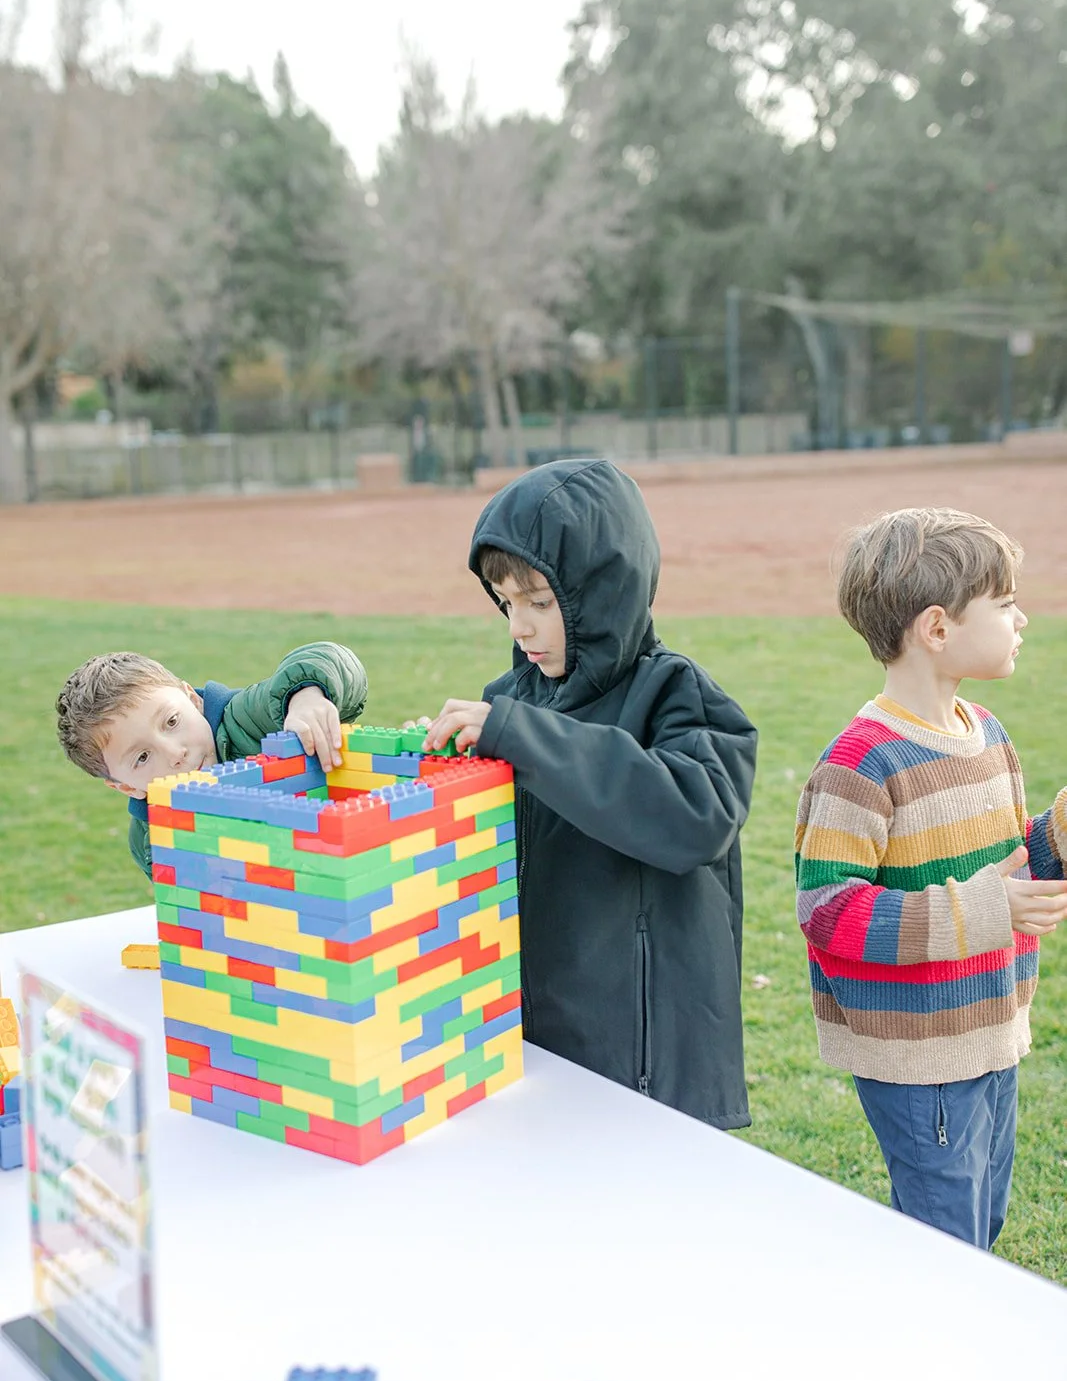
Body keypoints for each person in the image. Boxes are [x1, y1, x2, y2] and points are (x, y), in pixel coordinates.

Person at [422, 458, 758, 1129]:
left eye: (540, 603)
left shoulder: (675, 693)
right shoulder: (508, 701)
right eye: (507, 604)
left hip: (643, 1059)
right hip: (529, 1034)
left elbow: (694, 818)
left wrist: (521, 737)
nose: (520, 627)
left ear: (603, 590)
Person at [795, 506, 1067, 1248]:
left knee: (982, 1222)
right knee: (946, 1244)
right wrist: (987, 908)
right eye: (1005, 604)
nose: (1021, 620)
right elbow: (828, 912)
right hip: (919, 1056)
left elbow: (1008, 872)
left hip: (990, 1031)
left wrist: (1056, 836)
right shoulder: (859, 766)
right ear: (937, 628)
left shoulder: (989, 735)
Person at [56, 642, 369, 878]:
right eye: (141, 757)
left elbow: (332, 658)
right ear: (127, 788)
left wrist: (305, 698)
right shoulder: (151, 842)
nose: (175, 753)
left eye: (171, 722)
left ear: (194, 700)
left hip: (360, 868)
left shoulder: (249, 720)